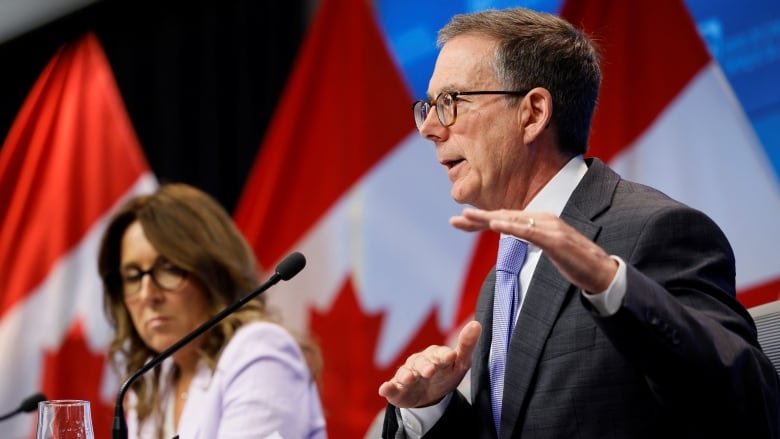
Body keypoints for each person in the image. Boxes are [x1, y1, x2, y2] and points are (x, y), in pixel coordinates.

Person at [378, 7, 780, 439]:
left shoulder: (653, 232)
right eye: (430, 106)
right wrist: (431, 408)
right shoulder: (502, 279)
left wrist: (612, 285)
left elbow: (754, 411)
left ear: (532, 113)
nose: (430, 129)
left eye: (451, 102)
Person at [98, 183, 327, 439]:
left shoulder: (260, 352)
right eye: (133, 276)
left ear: (213, 273)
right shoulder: (152, 376)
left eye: (169, 269)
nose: (147, 294)